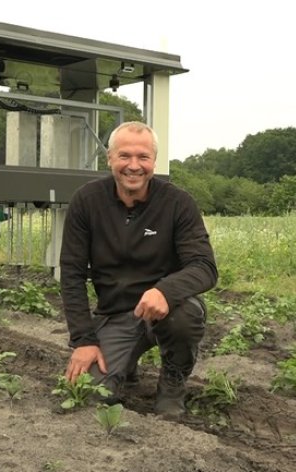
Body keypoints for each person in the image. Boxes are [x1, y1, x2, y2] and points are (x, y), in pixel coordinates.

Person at [60, 121, 217, 418]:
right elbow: (72, 274)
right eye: (125, 156)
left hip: (165, 311)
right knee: (90, 395)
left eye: (143, 157)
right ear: (109, 158)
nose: (134, 166)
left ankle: (172, 385)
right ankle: (125, 364)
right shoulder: (87, 201)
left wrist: (165, 291)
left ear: (154, 162)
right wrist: (84, 341)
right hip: (116, 314)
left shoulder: (177, 203)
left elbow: (205, 267)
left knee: (185, 316)